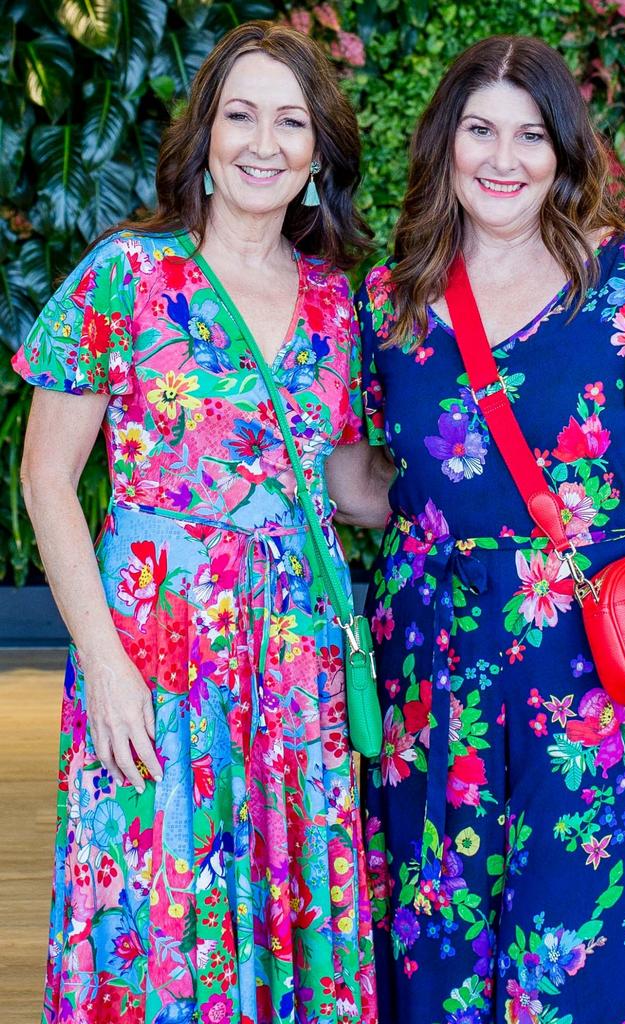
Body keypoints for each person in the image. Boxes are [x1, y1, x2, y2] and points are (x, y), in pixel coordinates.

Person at [356, 35, 625, 1024]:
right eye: (481, 130)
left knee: (588, 958)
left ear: (564, 152)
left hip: (592, 680)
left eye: (532, 135)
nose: (504, 157)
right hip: (431, 682)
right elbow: (368, 481)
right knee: (439, 947)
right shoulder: (390, 303)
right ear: (445, 143)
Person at [14, 20, 389, 1024]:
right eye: (240, 116)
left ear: (318, 153)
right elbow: (47, 477)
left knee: (288, 891)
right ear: (204, 137)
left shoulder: (334, 306)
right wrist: (104, 662)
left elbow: (345, 486)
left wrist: (499, 493)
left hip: (296, 660)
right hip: (156, 647)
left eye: (291, 121)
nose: (263, 142)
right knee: (151, 902)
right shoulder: (126, 277)